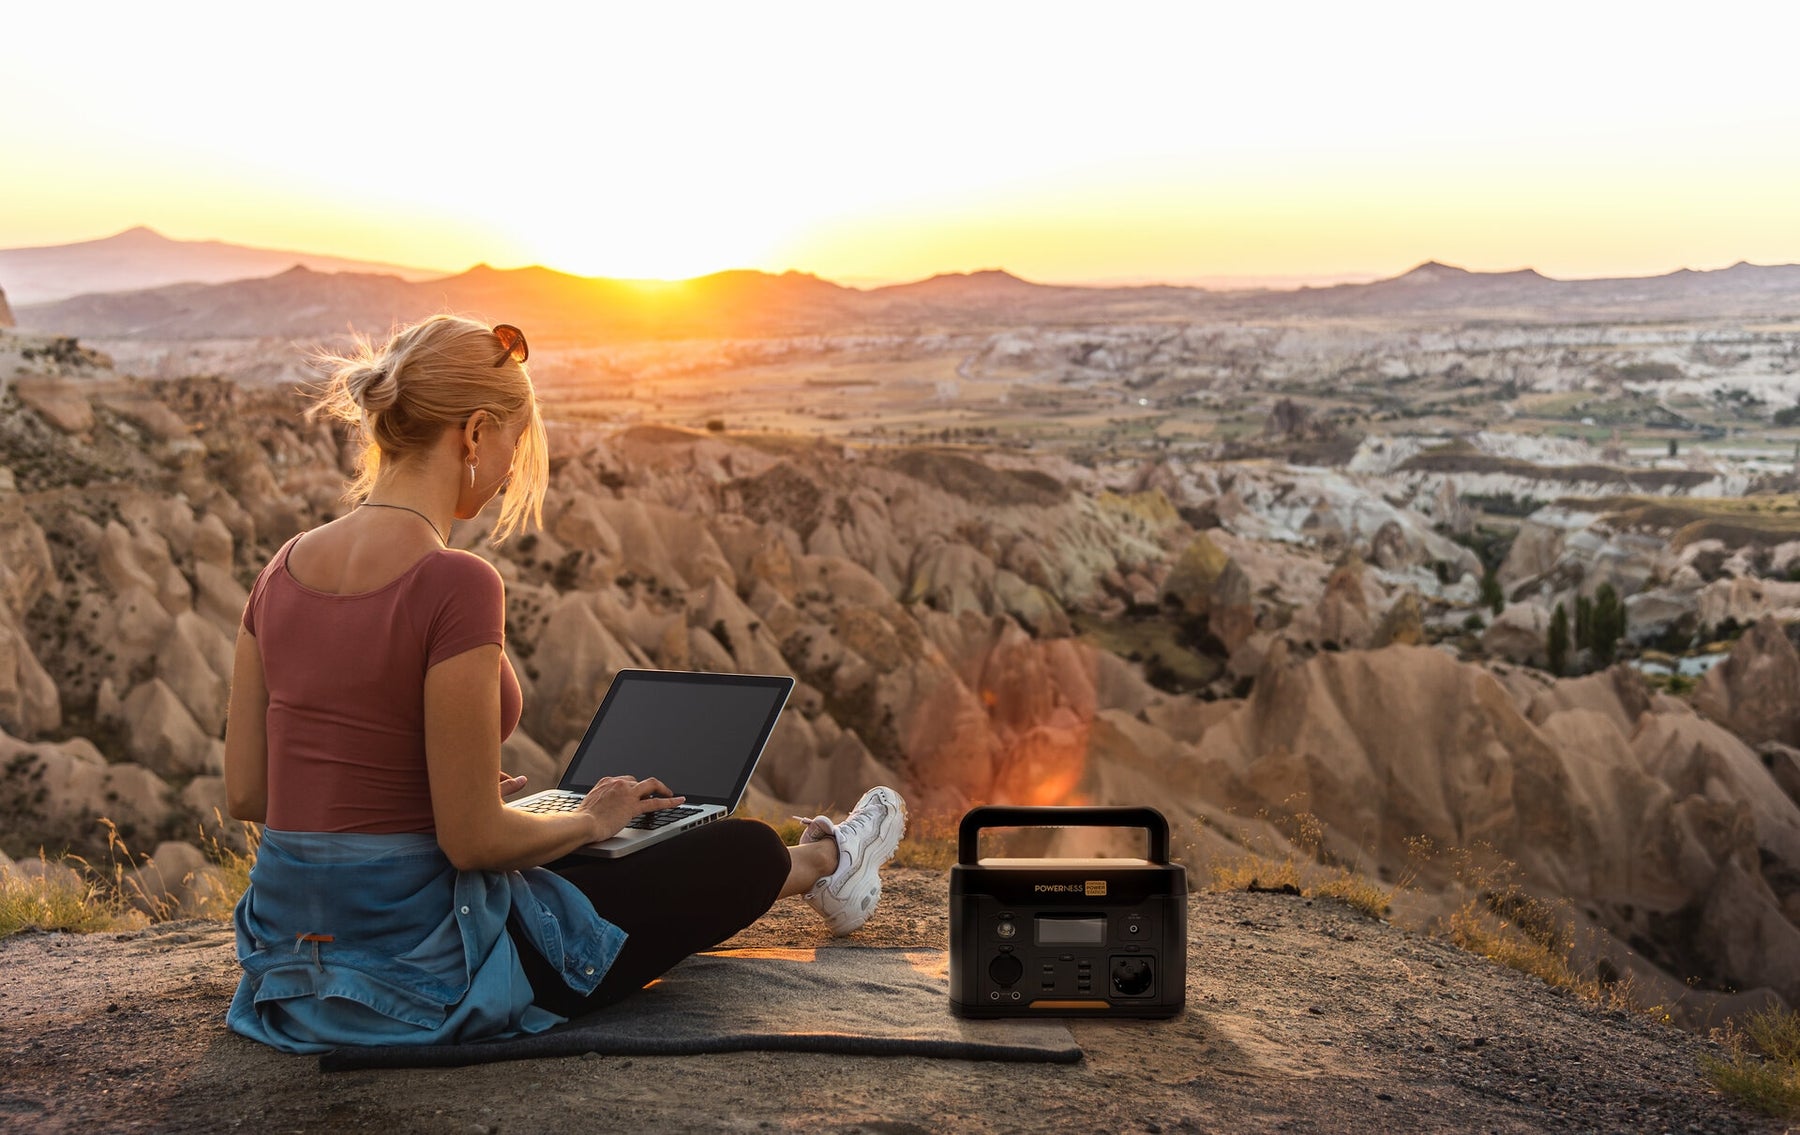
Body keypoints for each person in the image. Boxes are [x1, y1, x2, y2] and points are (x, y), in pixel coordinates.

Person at [222, 314, 906, 1054]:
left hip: (288, 971)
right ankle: (830, 862)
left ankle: (824, 862)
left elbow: (251, 794)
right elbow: (474, 841)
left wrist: (445, 806)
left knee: (606, 843)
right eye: (514, 442)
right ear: (475, 432)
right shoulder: (455, 582)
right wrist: (591, 819)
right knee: (742, 853)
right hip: (423, 976)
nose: (513, 467)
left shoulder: (281, 570)